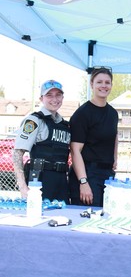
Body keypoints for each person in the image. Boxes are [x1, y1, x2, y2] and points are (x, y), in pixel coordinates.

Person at [12, 80, 70, 202]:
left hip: (61, 182)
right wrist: (22, 187)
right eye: (49, 95)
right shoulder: (33, 121)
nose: (54, 99)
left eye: (58, 95)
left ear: (62, 97)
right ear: (41, 98)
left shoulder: (64, 125)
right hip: (39, 181)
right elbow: (18, 153)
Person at [68, 66, 118, 207]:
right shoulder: (82, 114)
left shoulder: (113, 113)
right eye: (99, 82)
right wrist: (83, 182)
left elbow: (114, 136)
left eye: (107, 82)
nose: (104, 86)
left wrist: (114, 157)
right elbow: (75, 150)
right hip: (88, 174)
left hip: (107, 175)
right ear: (92, 84)